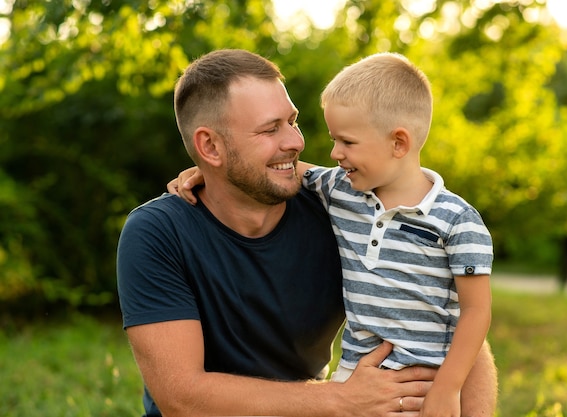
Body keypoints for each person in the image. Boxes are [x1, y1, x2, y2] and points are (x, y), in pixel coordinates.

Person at [119, 48, 497, 417]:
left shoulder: (345, 209)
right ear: (210, 146)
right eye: (270, 129)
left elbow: (452, 323)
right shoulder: (158, 233)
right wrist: (341, 400)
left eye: (292, 121)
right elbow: (183, 399)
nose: (296, 141)